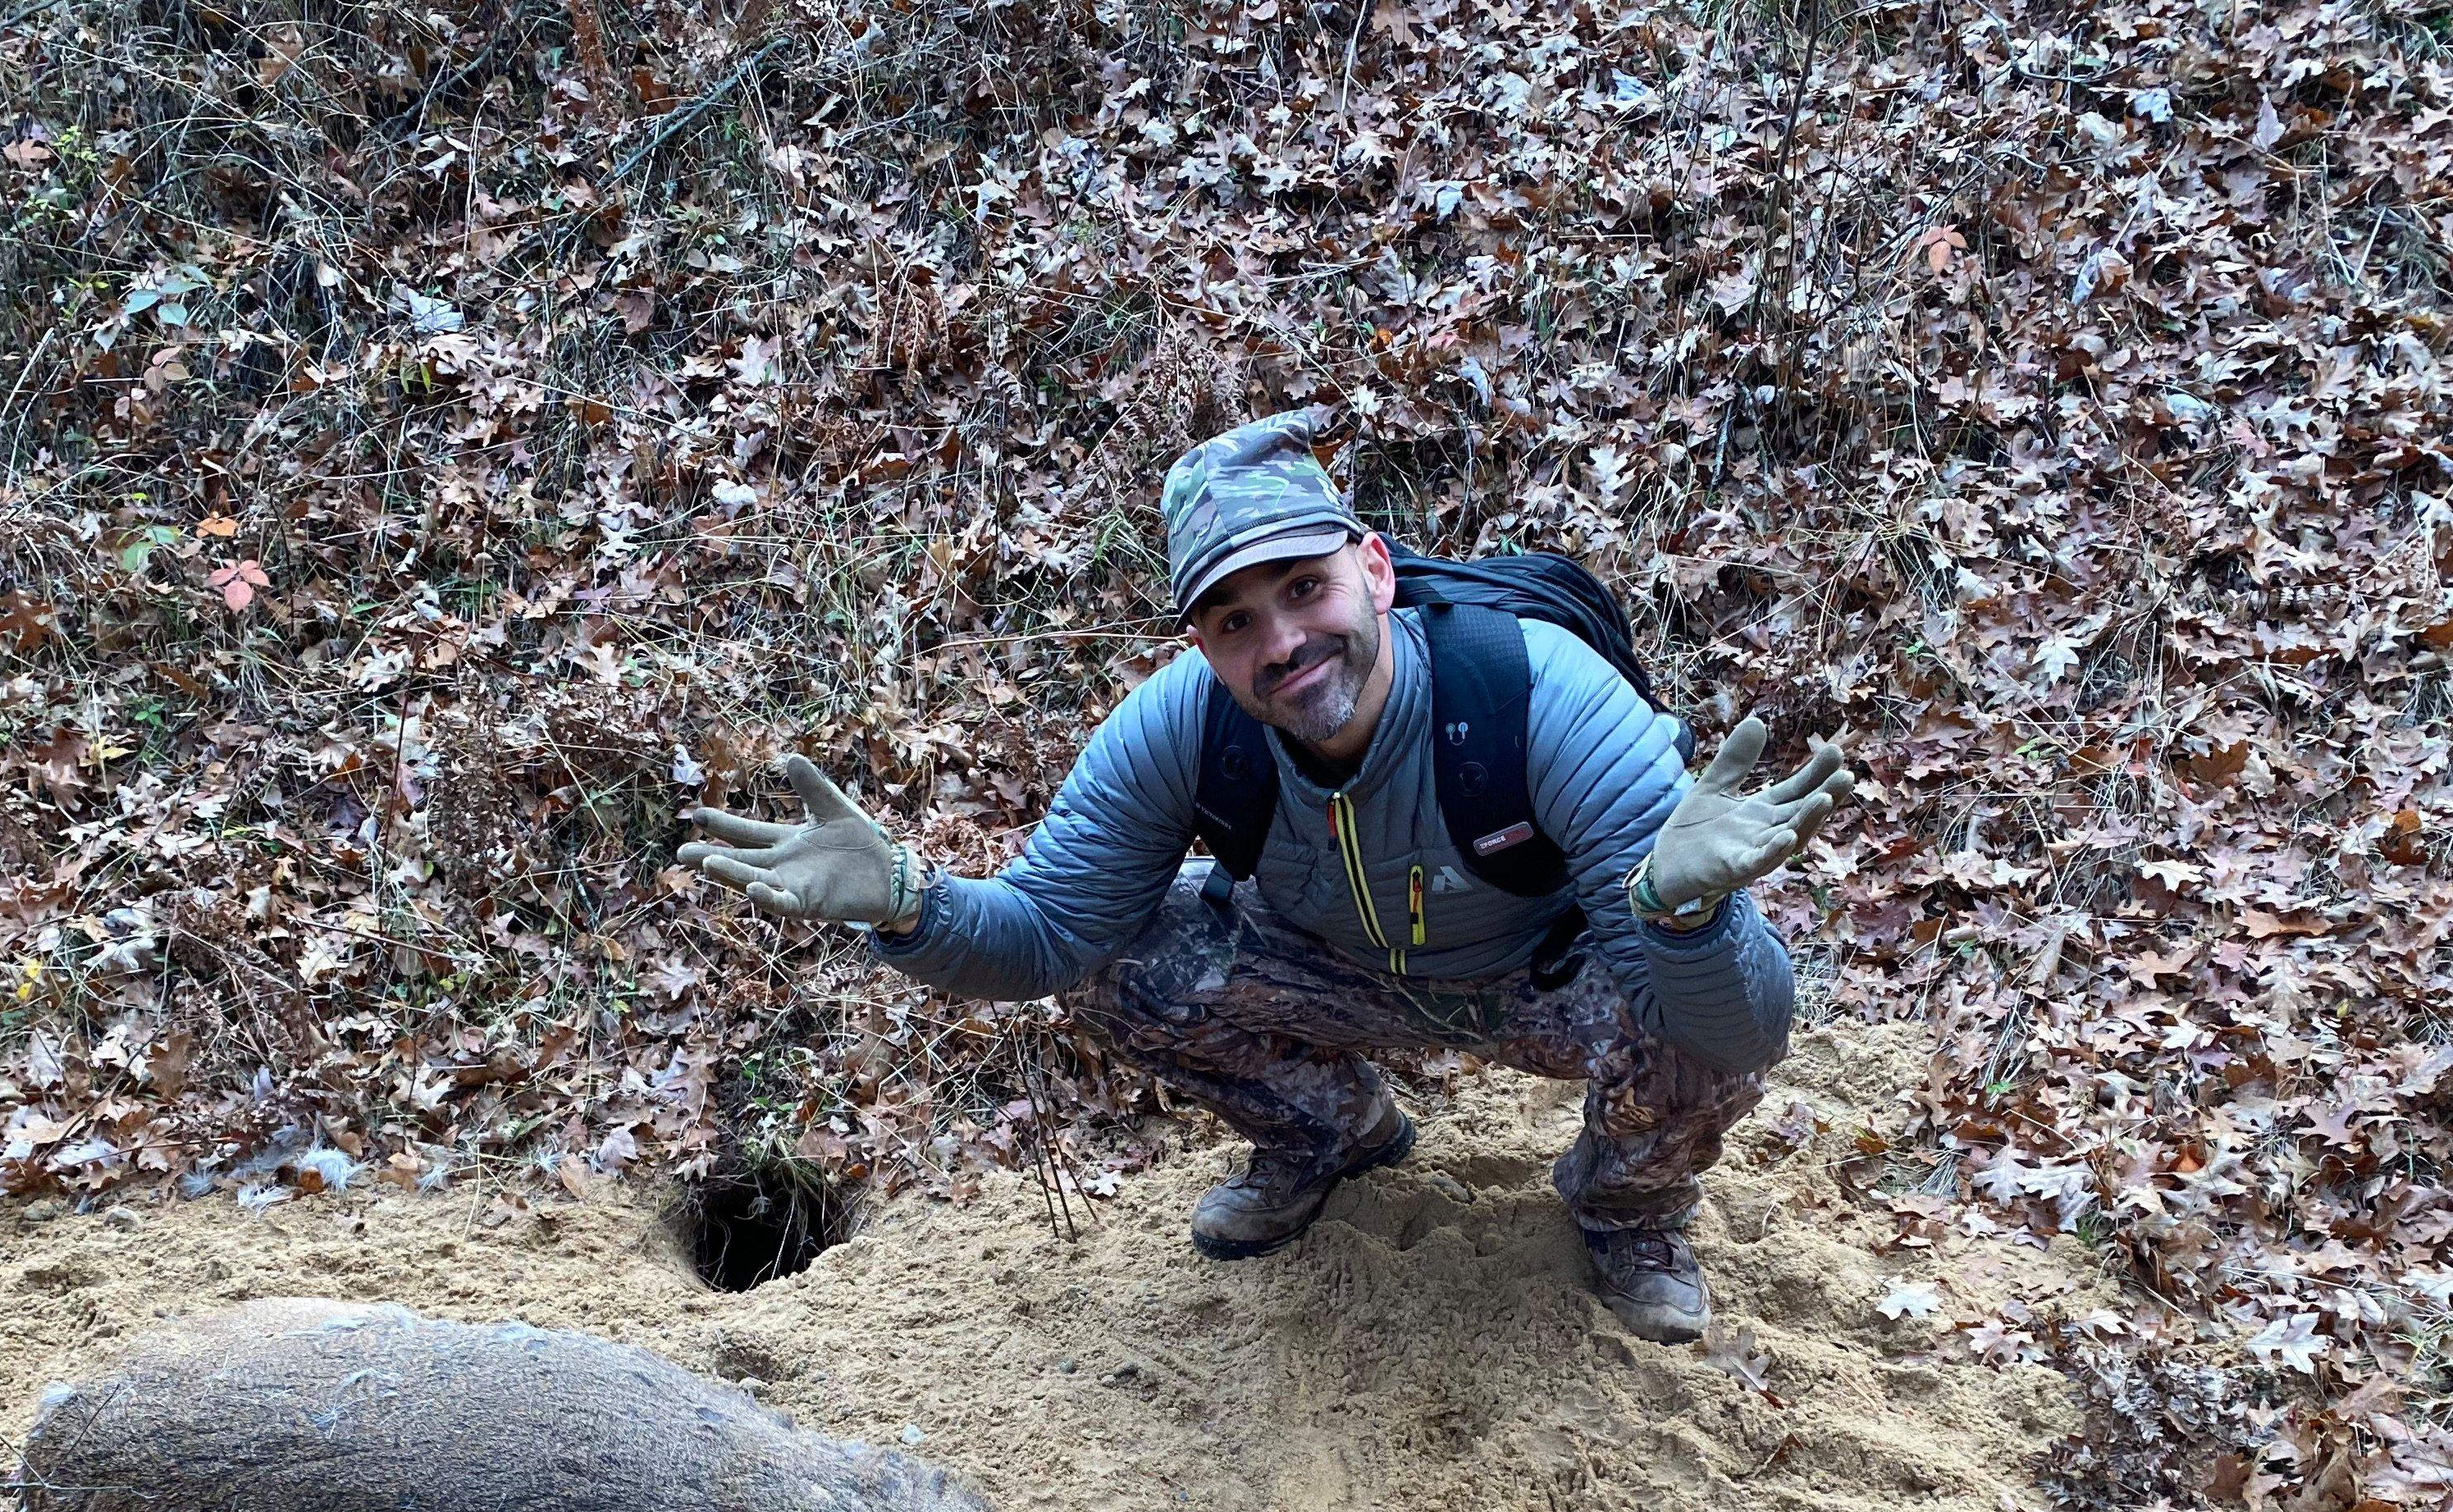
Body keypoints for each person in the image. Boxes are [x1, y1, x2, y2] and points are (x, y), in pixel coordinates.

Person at [677, 407, 1853, 1343]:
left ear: (1376, 572)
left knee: (1692, 1030)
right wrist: (907, 901)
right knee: (1120, 959)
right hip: (1331, 965)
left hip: (1544, 979)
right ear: (1200, 641)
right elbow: (1047, 934)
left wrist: (1690, 916)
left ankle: (1629, 1212)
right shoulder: (1185, 724)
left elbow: (1745, 1029)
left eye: (1304, 588)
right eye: (1234, 619)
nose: (1280, 642)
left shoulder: (1538, 697)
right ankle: (1327, 1131)